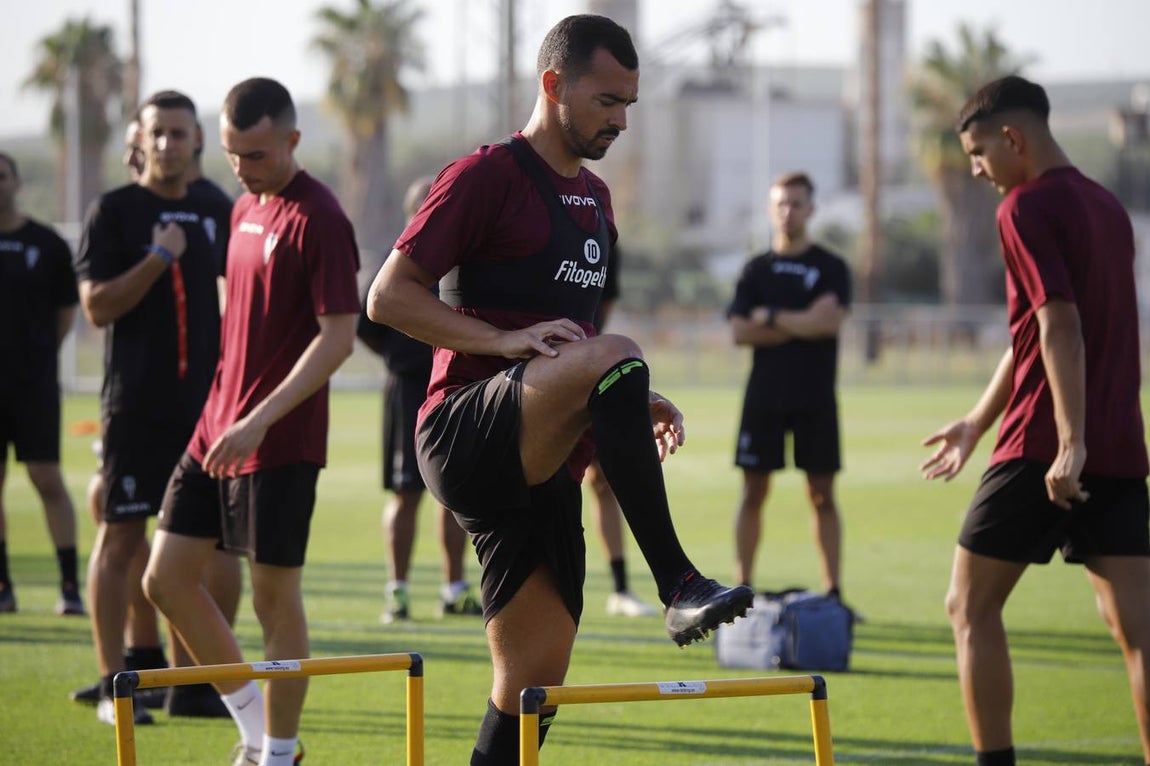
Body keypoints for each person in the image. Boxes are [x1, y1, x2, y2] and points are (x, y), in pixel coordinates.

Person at [367, 15, 752, 764]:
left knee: (531, 686)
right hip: (463, 432)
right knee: (619, 349)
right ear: (554, 85)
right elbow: (387, 297)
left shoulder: (599, 202)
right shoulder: (486, 176)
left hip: (540, 461)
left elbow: (572, 344)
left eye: (631, 105)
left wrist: (624, 392)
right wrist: (498, 341)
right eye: (608, 101)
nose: (621, 120)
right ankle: (677, 583)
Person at [922, 75, 1150, 766]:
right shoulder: (1108, 207)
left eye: (979, 152)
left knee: (969, 608)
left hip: (1045, 448)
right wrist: (974, 421)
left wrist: (1069, 444)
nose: (976, 169)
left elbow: (1061, 326)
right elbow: (1033, 337)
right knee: (1136, 632)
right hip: (1117, 444)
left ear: (1012, 138)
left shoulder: (1022, 208)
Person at [143, 77, 359, 766]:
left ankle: (278, 753)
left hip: (280, 440)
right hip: (215, 426)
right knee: (166, 579)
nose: (242, 168)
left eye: (257, 155)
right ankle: (257, 728)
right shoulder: (241, 209)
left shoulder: (320, 218)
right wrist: (224, 409)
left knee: (274, 601)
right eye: (233, 154)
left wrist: (260, 419)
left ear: (293, 140)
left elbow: (338, 337)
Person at [73, 90, 237, 726]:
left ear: (198, 139)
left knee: (210, 546)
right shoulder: (115, 211)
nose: (169, 143)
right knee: (122, 538)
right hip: (136, 407)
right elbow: (96, 308)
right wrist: (158, 258)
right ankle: (116, 686)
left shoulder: (215, 207)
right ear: (139, 139)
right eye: (158, 133)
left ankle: (194, 681)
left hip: (208, 412)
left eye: (180, 132)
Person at [357, 176, 482, 623]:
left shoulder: (462, 266)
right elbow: (366, 325)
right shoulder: (399, 267)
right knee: (406, 493)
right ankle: (399, 592)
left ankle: (454, 589)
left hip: (454, 389)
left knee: (454, 495)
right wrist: (400, 357)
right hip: (407, 390)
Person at [727, 171, 851, 598]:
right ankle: (742, 590)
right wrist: (803, 321)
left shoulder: (831, 267)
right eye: (780, 203)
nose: (788, 211)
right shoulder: (755, 270)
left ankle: (833, 591)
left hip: (815, 397)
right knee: (753, 491)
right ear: (770, 209)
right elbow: (741, 332)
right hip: (764, 397)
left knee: (822, 495)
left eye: (796, 203)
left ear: (811, 209)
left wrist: (772, 316)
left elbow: (829, 323)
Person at [0, 151, 83, 617]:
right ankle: (3, 587)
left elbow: (66, 311)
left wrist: (36, 357)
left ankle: (69, 586)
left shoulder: (46, 244)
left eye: (3, 175)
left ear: (16, 182)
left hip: (33, 386)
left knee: (46, 477)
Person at [589, 244, 656, 617]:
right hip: (536, 368)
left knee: (603, 480)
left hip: (587, 366)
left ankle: (620, 589)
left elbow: (606, 300)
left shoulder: (603, 232)